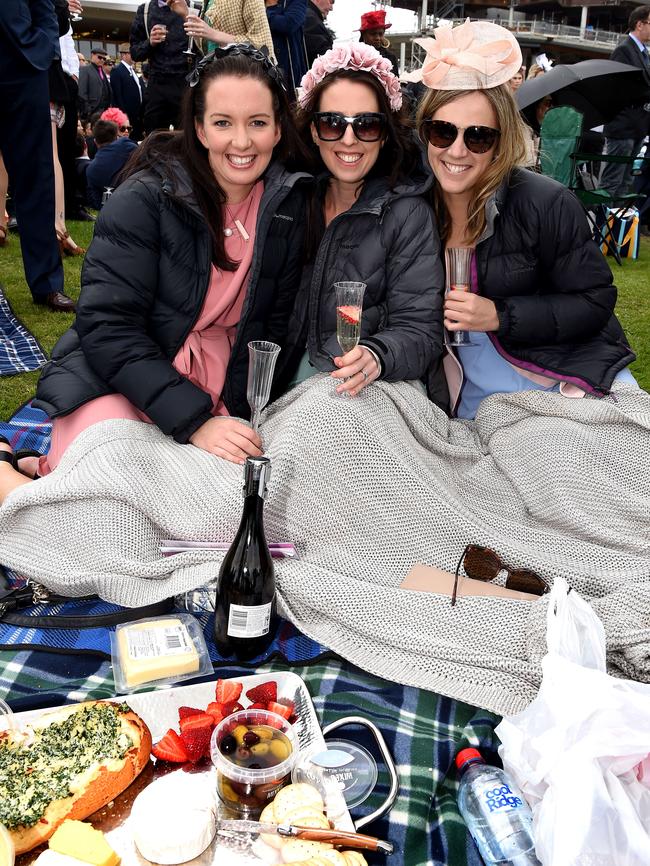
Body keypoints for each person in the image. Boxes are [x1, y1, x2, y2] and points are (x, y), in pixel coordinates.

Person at [7, 45, 310, 486]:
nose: (241, 142)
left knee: (214, 505)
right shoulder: (146, 199)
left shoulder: (286, 207)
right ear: (201, 130)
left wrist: (241, 411)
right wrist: (193, 420)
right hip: (123, 377)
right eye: (223, 122)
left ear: (279, 129)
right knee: (116, 495)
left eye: (257, 123)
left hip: (220, 382)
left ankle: (38, 471)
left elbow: (274, 329)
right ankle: (6, 474)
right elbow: (108, 327)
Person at [413, 19, 636, 420]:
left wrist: (499, 315)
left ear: (501, 142)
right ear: (425, 133)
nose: (457, 151)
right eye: (443, 132)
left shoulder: (544, 202)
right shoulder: (410, 207)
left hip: (559, 370)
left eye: (478, 136)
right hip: (465, 383)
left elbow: (594, 301)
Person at [283, 42, 444, 399]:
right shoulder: (292, 200)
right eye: (332, 123)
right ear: (313, 130)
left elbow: (420, 329)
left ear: (384, 134)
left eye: (367, 125)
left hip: (365, 387)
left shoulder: (407, 213)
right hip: (282, 376)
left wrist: (378, 354)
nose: (349, 139)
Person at [0, 0, 73, 312]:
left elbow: (47, 7)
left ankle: (46, 285)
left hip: (26, 72)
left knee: (35, 177)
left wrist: (43, 46)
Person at [601, 6, 650, 197]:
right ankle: (602, 225)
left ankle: (620, 226)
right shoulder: (624, 50)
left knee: (625, 185)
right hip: (623, 128)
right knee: (612, 184)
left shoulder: (643, 52)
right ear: (639, 24)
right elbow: (620, 87)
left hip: (638, 127)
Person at [129, 0, 187, 132]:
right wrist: (149, 43)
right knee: (154, 138)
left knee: (187, 139)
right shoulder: (145, 10)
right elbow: (135, 53)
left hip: (185, 83)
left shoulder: (193, 8)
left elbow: (203, 46)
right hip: (157, 84)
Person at [178, 0, 275, 56]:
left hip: (241, 78)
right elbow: (206, 47)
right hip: (214, 75)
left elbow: (263, 46)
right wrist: (185, 13)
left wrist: (214, 34)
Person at [85, 118, 138, 209]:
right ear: (116, 136)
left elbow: (97, 202)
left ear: (95, 141)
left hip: (112, 207)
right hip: (137, 199)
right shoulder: (127, 146)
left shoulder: (91, 169)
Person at [265, 0, 308, 96]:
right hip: (263, 72)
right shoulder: (255, 3)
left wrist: (263, 14)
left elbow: (288, 24)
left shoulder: (295, 2)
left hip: (290, 77)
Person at [110, 43, 144, 140]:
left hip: (137, 115)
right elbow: (117, 95)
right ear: (123, 55)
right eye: (131, 53)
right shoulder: (117, 70)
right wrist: (123, 115)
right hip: (127, 117)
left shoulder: (131, 70)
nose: (134, 55)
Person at [357, 9, 398, 76]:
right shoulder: (354, 57)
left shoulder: (391, 57)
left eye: (380, 34)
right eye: (373, 34)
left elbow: (395, 83)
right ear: (363, 34)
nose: (377, 38)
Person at [78, 48, 112, 121]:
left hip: (104, 112)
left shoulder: (102, 71)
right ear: (92, 55)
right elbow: (82, 92)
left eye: (104, 58)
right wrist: (87, 110)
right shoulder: (85, 69)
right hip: (92, 112)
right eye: (99, 57)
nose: (102, 60)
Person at [304, 0, 334, 66]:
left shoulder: (309, 15)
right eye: (331, 1)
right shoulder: (310, 18)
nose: (331, 8)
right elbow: (325, 56)